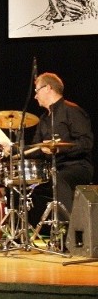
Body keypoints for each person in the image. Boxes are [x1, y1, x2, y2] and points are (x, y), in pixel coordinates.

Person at [28, 73, 94, 236]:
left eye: (37, 90)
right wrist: (13, 149)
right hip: (54, 169)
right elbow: (35, 148)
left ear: (48, 88)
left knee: (60, 178)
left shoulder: (72, 111)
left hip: (77, 166)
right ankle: (42, 232)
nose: (35, 96)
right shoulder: (43, 120)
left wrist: (59, 149)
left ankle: (71, 233)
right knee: (29, 190)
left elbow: (86, 143)